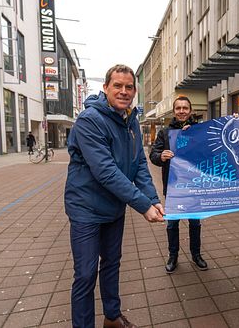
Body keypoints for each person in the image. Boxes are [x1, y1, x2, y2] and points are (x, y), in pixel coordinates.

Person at [65, 64, 165, 328]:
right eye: (117, 86)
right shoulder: (90, 120)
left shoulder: (130, 120)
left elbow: (139, 164)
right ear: (106, 88)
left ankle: (112, 317)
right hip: (86, 209)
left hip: (113, 208)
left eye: (129, 87)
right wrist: (143, 205)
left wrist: (153, 199)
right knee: (85, 274)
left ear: (134, 91)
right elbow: (105, 171)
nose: (123, 91)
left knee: (112, 264)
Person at [149, 96, 208, 274]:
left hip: (194, 185)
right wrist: (161, 156)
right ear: (174, 111)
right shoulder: (165, 133)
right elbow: (153, 154)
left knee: (195, 222)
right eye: (178, 108)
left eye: (185, 108)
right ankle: (173, 256)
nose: (182, 111)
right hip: (173, 185)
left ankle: (196, 255)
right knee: (172, 224)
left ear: (190, 111)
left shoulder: (198, 130)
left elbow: (208, 153)